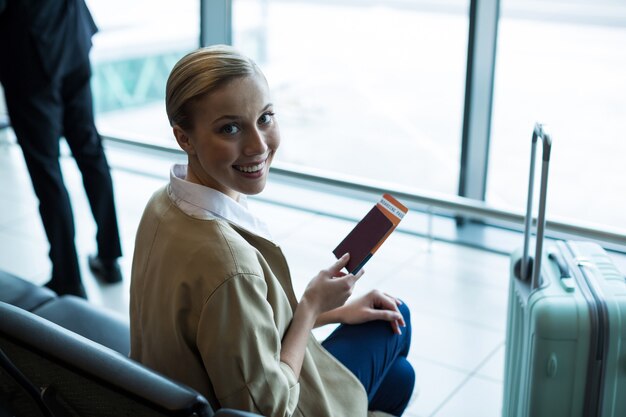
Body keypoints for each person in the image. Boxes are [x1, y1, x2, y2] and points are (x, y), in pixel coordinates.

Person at [129, 45, 415, 417]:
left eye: (264, 118)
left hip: (175, 392)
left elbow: (230, 328)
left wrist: (333, 312)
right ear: (184, 138)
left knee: (398, 375)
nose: (258, 146)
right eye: (230, 128)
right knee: (398, 322)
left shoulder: (162, 204)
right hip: (265, 403)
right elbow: (268, 407)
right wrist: (311, 305)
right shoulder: (228, 265)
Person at [0, 0, 123, 297]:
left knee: (46, 168)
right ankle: (109, 257)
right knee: (89, 150)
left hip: (28, 53)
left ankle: (68, 278)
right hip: (71, 37)